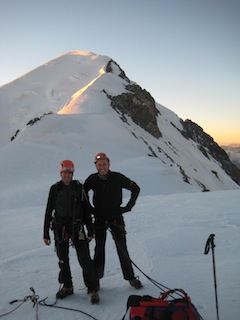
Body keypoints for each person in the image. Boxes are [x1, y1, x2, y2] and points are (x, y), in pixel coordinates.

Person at [43, 160, 100, 304]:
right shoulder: (55, 189)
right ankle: (67, 286)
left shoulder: (78, 188)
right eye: (64, 173)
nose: (67, 176)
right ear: (60, 173)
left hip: (77, 228)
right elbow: (49, 211)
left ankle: (92, 288)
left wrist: (90, 230)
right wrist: (45, 233)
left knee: (85, 259)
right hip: (59, 228)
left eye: (69, 173)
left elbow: (86, 210)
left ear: (72, 173)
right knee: (63, 259)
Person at [84, 152, 142, 290]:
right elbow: (82, 193)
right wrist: (90, 209)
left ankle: (131, 277)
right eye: (99, 165)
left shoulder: (117, 177)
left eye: (104, 164)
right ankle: (96, 279)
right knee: (99, 249)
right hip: (99, 218)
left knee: (122, 248)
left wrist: (128, 207)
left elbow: (135, 188)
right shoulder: (92, 179)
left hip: (116, 217)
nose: (102, 167)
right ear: (96, 166)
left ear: (109, 164)